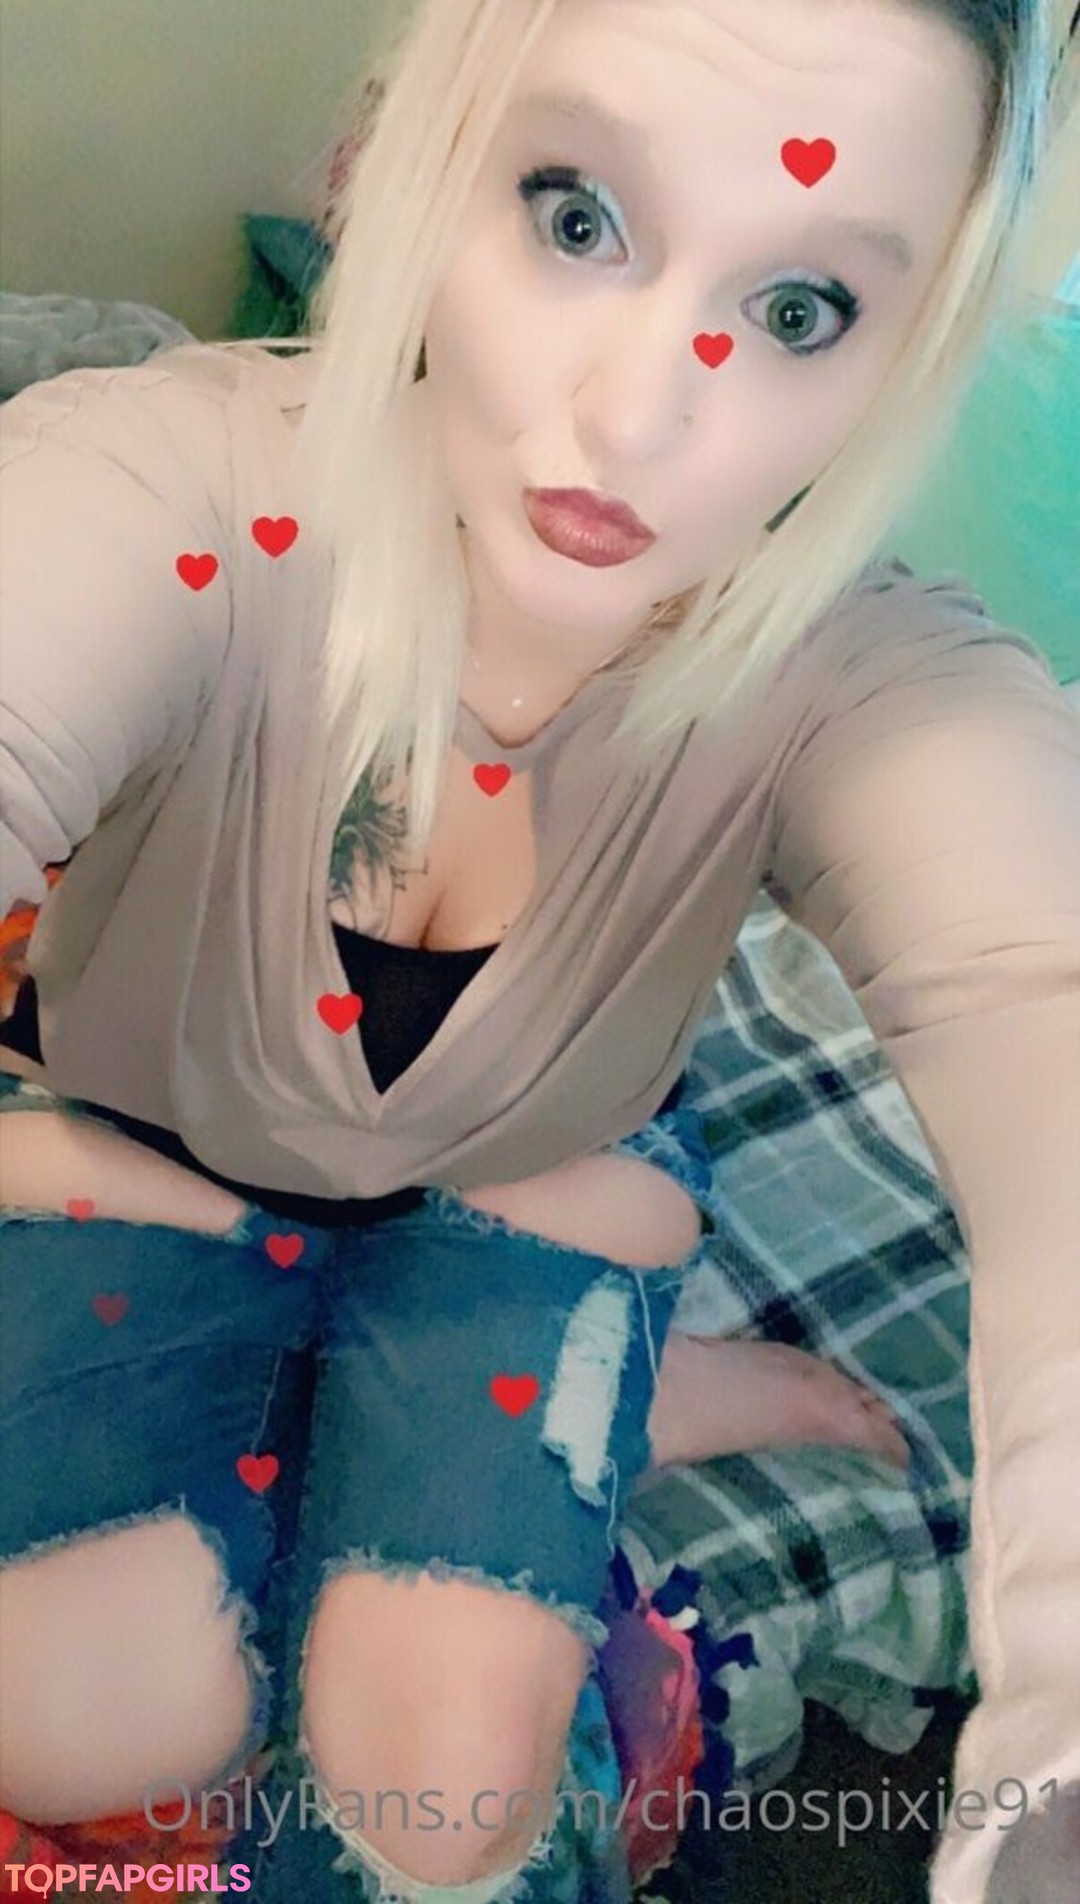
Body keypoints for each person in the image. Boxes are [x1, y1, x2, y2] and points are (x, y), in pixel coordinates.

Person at [0, 2, 1077, 1901]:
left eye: (803, 310)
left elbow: (1038, 999)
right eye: (578, 216)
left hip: (534, 1183)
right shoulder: (176, 497)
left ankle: (578, 1361)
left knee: (442, 1796)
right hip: (140, 1143)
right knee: (82, 1720)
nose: (640, 417)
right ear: (422, 160)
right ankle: (581, 1399)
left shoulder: (864, 686)